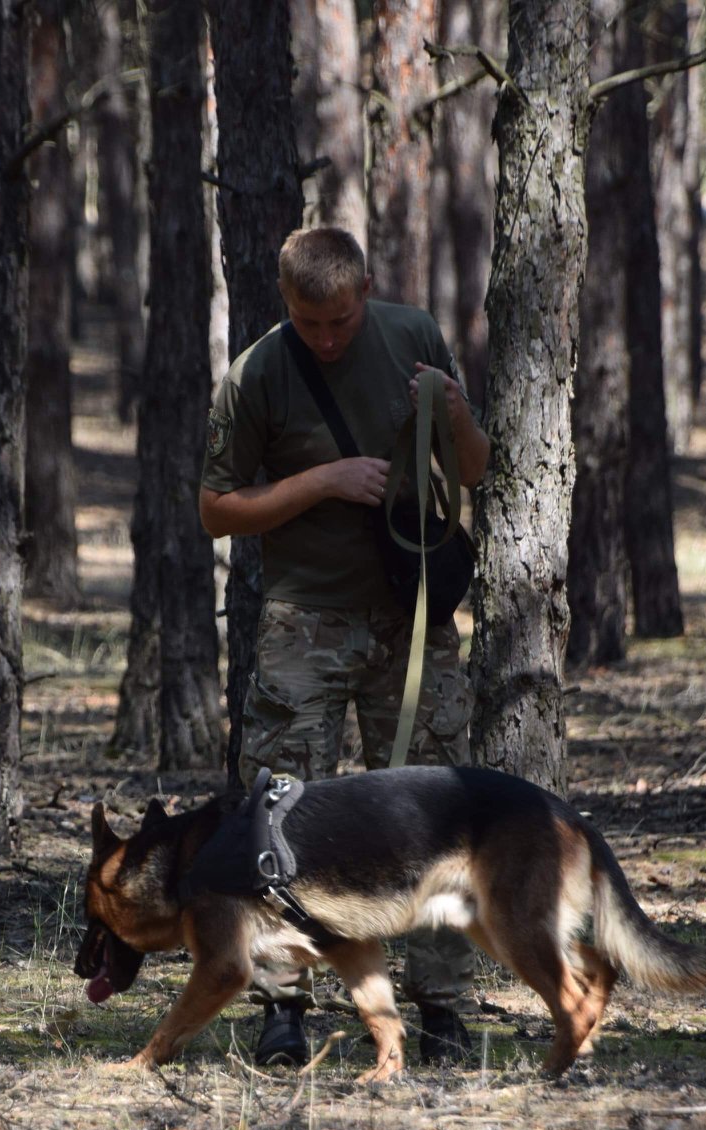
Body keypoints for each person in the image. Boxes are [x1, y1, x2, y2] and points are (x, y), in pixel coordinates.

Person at [198, 226, 491, 1066]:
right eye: (307, 322)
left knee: (435, 815)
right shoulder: (257, 373)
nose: (325, 338)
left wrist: (458, 410)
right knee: (281, 814)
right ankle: (283, 1007)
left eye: (339, 321)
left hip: (412, 618)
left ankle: (442, 1007)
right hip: (304, 620)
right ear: (285, 303)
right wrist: (321, 481)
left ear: (365, 289)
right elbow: (216, 509)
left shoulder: (411, 337)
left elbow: (470, 469)